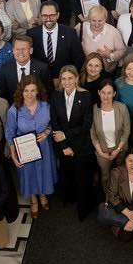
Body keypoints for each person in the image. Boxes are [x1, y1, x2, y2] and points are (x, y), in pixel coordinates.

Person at [5, 74, 57, 218]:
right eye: (26, 90)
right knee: (29, 175)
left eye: (33, 90)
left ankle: (42, 195)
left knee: (43, 172)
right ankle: (33, 199)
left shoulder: (46, 106)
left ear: (38, 91)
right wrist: (14, 156)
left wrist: (47, 132)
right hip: (24, 148)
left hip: (44, 146)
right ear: (21, 91)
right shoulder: (13, 110)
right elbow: (9, 133)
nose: (29, 94)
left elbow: (54, 124)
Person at [49, 65, 95, 220]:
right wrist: (64, 146)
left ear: (76, 78)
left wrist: (66, 136)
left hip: (81, 144)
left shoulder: (86, 96)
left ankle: (83, 209)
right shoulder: (55, 96)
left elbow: (86, 124)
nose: (67, 82)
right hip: (63, 146)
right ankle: (68, 199)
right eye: (63, 78)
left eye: (70, 78)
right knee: (66, 174)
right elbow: (55, 123)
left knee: (82, 178)